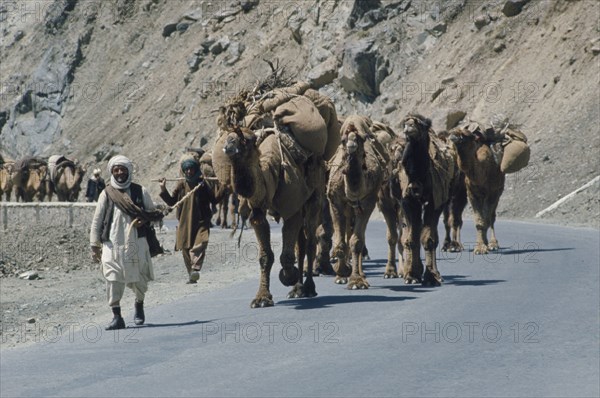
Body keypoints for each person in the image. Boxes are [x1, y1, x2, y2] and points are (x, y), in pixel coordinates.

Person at [90, 156, 164, 330]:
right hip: (111, 244)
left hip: (136, 243)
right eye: (116, 170)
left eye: (123, 169)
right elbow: (97, 220)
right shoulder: (107, 193)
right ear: (112, 172)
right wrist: (94, 244)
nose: (120, 172)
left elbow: (152, 213)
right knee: (112, 278)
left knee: (139, 279)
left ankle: (139, 304)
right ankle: (117, 316)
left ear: (129, 171)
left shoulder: (140, 191)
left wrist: (144, 221)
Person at [159, 154, 225, 284]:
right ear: (184, 171)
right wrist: (163, 188)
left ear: (196, 169)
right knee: (185, 248)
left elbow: (214, 199)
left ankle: (195, 267)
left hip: (201, 221)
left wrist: (223, 186)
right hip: (184, 222)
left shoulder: (203, 184)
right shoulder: (181, 184)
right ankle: (191, 274)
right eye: (187, 169)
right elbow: (172, 202)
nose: (189, 171)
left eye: (192, 169)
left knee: (200, 243)